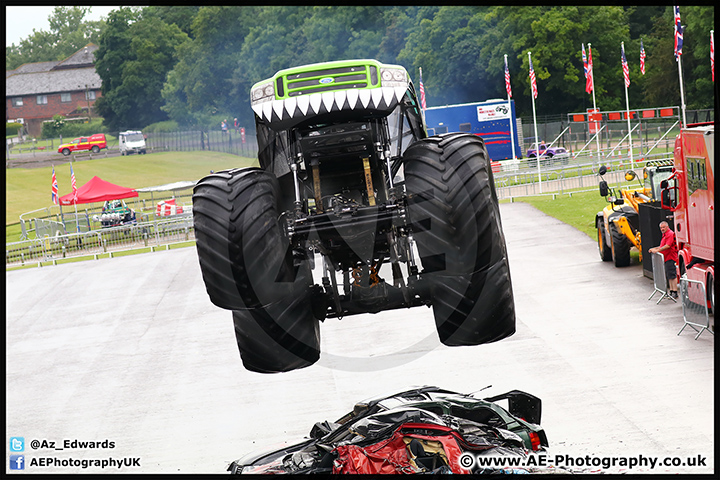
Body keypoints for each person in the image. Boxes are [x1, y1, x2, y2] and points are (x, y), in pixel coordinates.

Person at [649, 221, 678, 299]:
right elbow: (662, 246)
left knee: (672, 275)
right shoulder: (665, 235)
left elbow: (668, 245)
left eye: (663, 227)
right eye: (661, 228)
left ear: (667, 227)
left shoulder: (670, 234)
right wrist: (655, 249)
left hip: (671, 257)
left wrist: (657, 250)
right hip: (666, 258)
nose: (662, 229)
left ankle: (674, 291)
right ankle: (672, 291)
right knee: (669, 275)